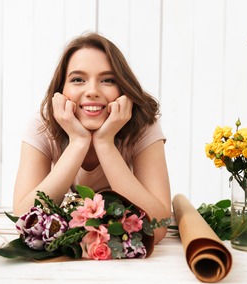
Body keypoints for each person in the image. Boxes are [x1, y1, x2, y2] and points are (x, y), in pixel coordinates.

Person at [13, 32, 171, 244]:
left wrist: (105, 142)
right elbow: (23, 220)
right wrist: (78, 142)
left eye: (107, 80)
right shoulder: (42, 126)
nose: (92, 91)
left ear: (122, 88)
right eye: (78, 79)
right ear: (61, 90)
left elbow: (157, 228)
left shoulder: (142, 126)